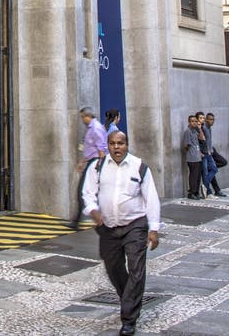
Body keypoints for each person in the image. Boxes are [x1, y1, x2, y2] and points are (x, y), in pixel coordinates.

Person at [82, 130, 160, 336]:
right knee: (113, 267)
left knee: (136, 269)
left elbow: (151, 197)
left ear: (127, 145)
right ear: (108, 145)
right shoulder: (97, 167)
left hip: (135, 225)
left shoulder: (139, 167)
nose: (117, 147)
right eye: (113, 143)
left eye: (121, 143)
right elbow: (87, 192)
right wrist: (92, 209)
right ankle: (130, 297)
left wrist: (154, 228)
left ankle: (129, 319)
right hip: (107, 227)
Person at [68, 106, 108, 229]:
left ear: (87, 116)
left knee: (83, 191)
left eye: (82, 117)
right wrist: (82, 161)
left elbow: (102, 148)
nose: (82, 120)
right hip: (91, 161)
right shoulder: (90, 128)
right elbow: (90, 149)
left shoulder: (96, 129)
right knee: (85, 191)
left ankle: (79, 220)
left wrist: (99, 166)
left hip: (95, 163)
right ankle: (79, 219)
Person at [196, 110, 217, 197]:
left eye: (203, 118)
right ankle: (208, 192)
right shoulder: (198, 129)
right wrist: (200, 152)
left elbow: (207, 141)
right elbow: (201, 139)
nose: (203, 119)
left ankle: (205, 185)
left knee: (214, 169)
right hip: (203, 154)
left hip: (208, 153)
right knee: (205, 173)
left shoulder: (205, 127)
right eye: (201, 118)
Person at [205, 112, 227, 196]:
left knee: (223, 162)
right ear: (206, 120)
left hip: (212, 150)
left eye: (213, 120)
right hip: (207, 152)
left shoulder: (209, 128)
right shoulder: (204, 128)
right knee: (213, 169)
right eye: (210, 119)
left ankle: (210, 167)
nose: (212, 121)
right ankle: (217, 190)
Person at [183, 114, 203, 199]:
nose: (194, 123)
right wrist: (192, 152)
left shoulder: (195, 131)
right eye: (192, 121)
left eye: (195, 121)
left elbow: (202, 138)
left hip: (198, 157)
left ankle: (196, 192)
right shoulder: (188, 131)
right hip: (192, 158)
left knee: (198, 176)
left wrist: (199, 129)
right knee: (193, 176)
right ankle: (191, 193)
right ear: (189, 122)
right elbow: (186, 145)